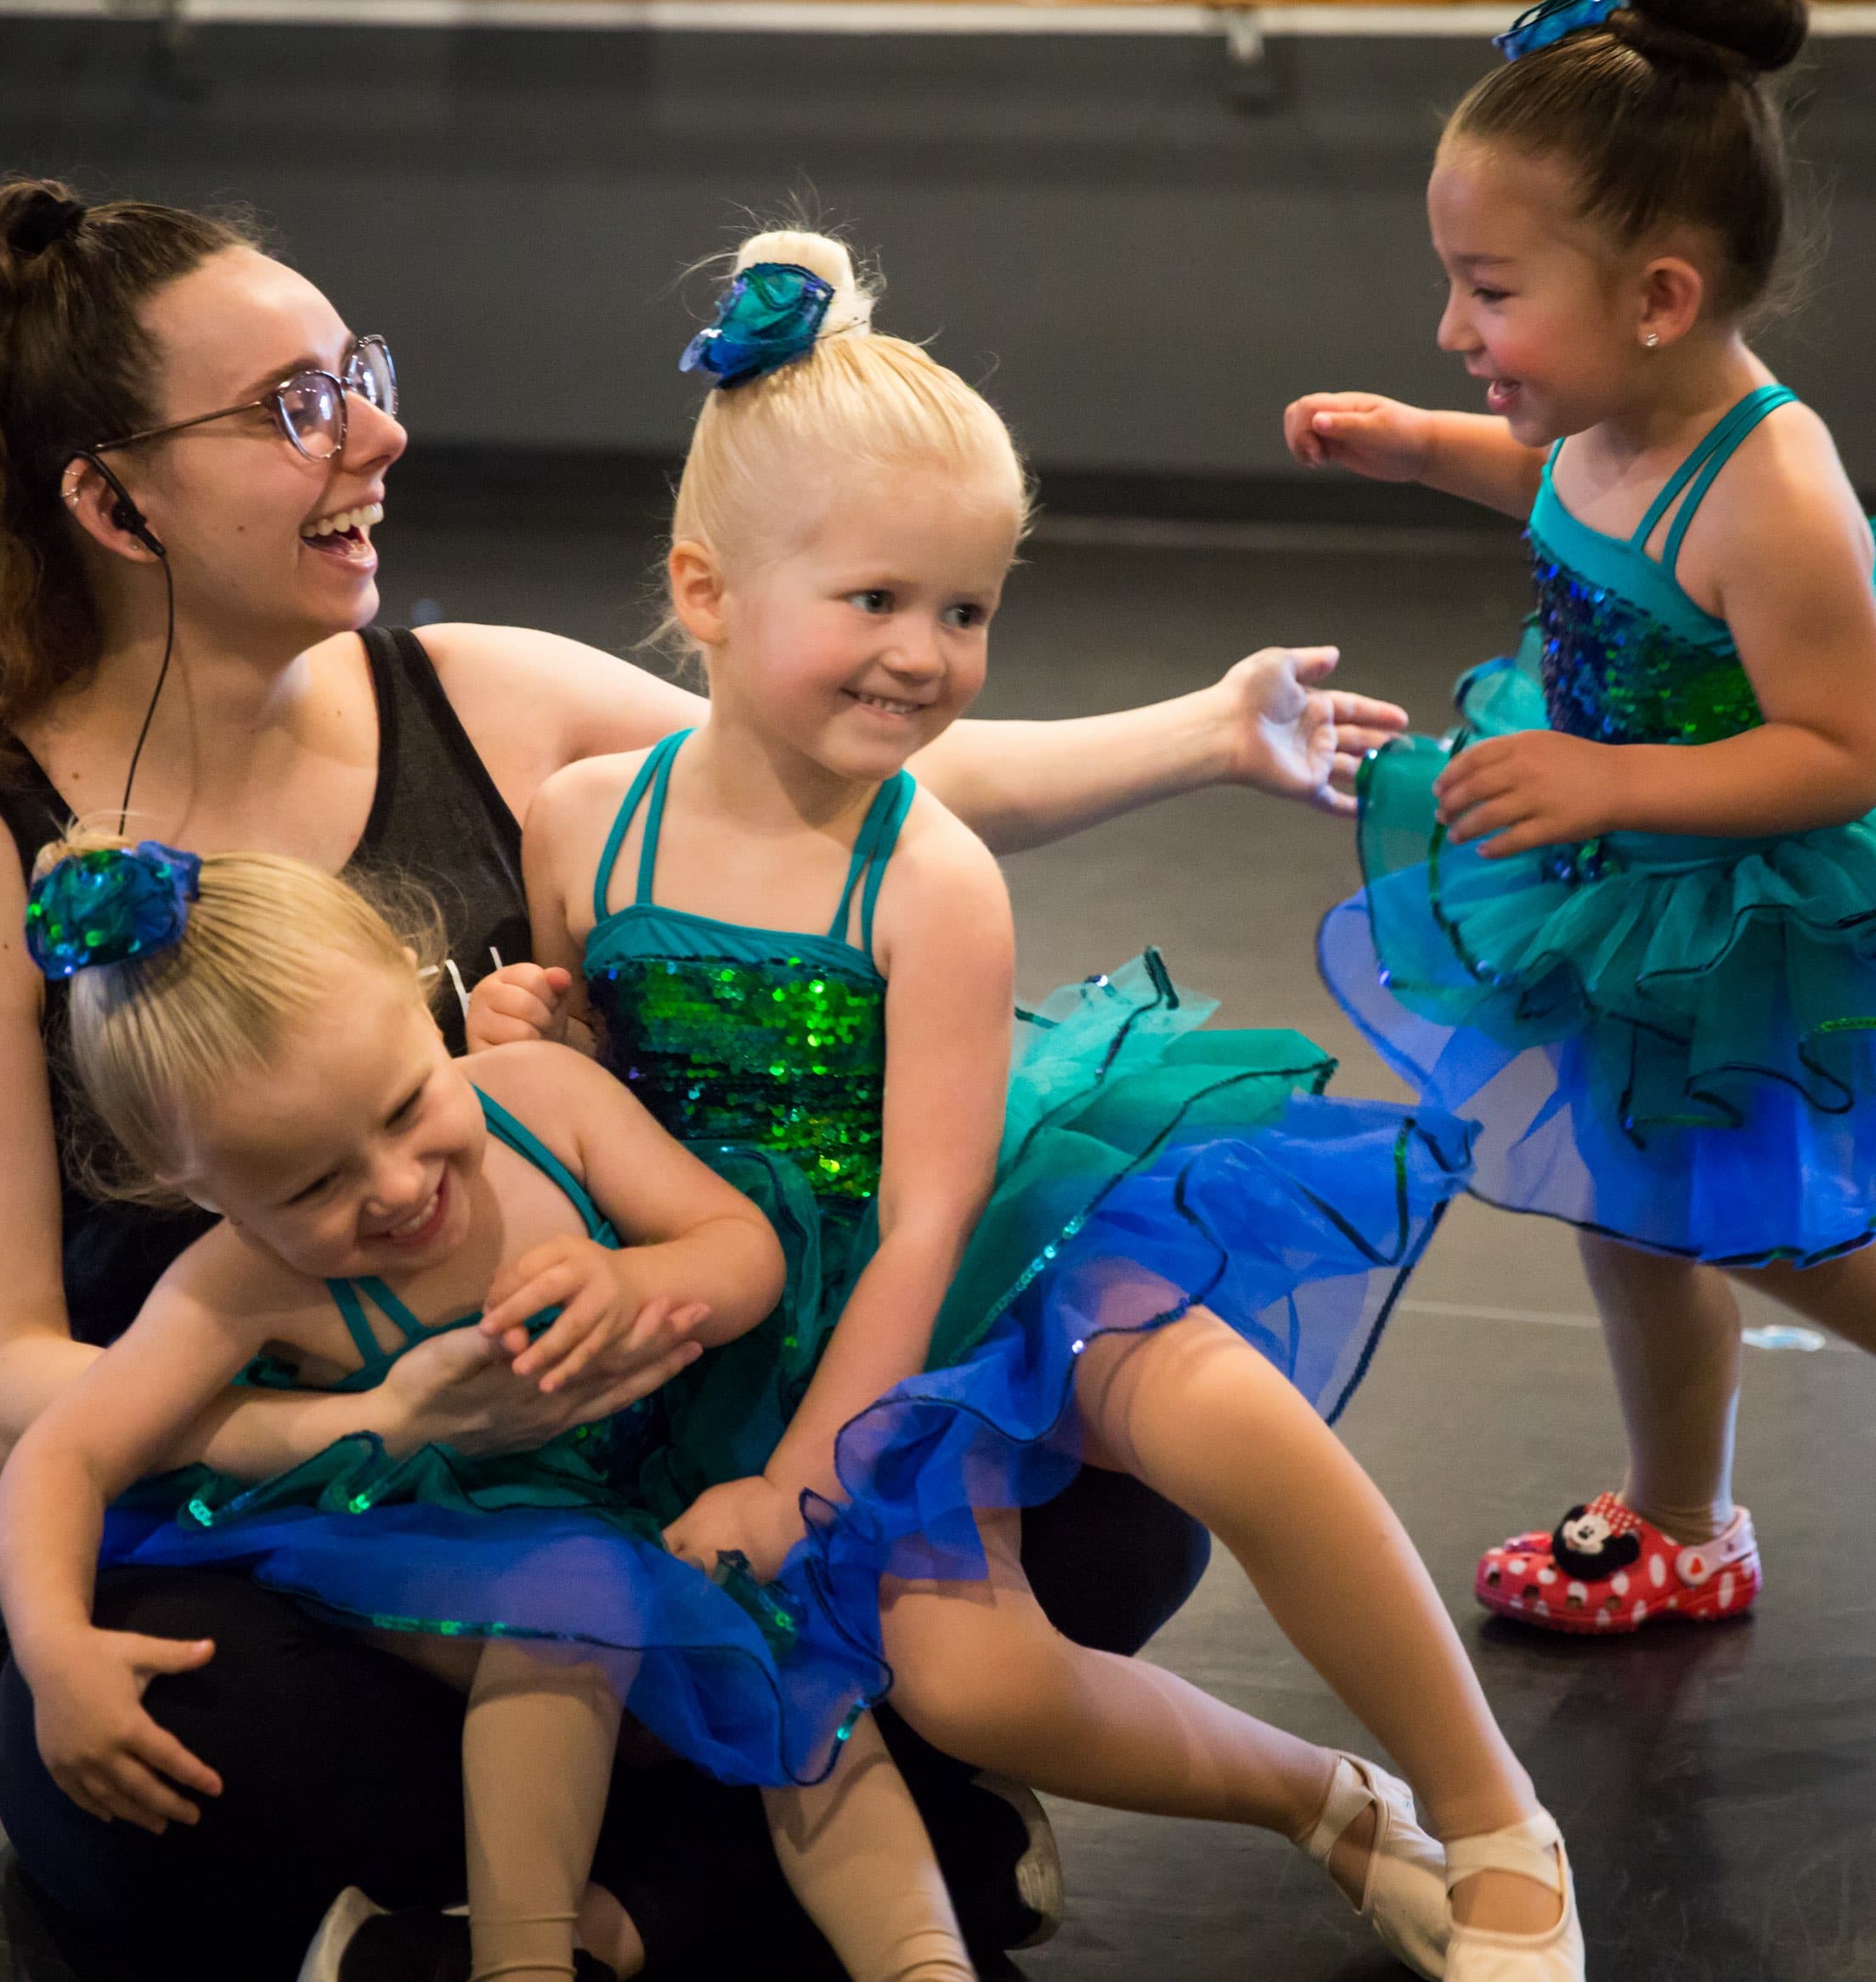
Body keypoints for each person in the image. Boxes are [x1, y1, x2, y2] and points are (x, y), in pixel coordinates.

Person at [0, 177, 1410, 1979]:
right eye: (295, 407)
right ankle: (754, 1876)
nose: (378, 433)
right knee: (164, 1743)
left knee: (1094, 1511)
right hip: (336, 1522)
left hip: (659, 1439)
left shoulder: (480, 694)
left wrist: (1206, 732)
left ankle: (585, 1907)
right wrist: (376, 1423)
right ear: (114, 504)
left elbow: (854, 780)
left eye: (358, 375)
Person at [483, 229, 1580, 1982]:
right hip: (734, 1305)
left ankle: (1497, 1810)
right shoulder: (582, 826)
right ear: (706, 593)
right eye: (875, 602)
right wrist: (534, 1034)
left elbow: (929, 1219)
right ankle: (1331, 1803)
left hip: (955, 1259)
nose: (925, 656)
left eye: (967, 611)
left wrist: (803, 1475)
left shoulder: (929, 875)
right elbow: (600, 1108)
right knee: (972, 1682)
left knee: (1216, 1407)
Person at [1290, 0, 1876, 1644]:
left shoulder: (1774, 490)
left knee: (1698, 1209)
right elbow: (1568, 494)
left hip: (1743, 889)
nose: (1452, 328)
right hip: (1634, 875)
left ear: (1659, 299)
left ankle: (1852, 1458)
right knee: (1648, 1208)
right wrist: (1421, 449)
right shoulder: (1616, 413)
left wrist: (1610, 781)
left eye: (1490, 293)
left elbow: (1843, 754)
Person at [0, 834, 972, 1982]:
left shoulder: (545, 1102)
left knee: (791, 1651)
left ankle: (922, 1957)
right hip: (454, 1541)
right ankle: (525, 1959)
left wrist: (643, 1280)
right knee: (572, 1604)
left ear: (424, 1005)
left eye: (409, 1104)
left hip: (654, 1480)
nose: (398, 1185)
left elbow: (745, 1250)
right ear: (194, 1189)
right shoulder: (233, 1288)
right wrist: (56, 1652)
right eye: (313, 1185)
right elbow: (61, 1456)